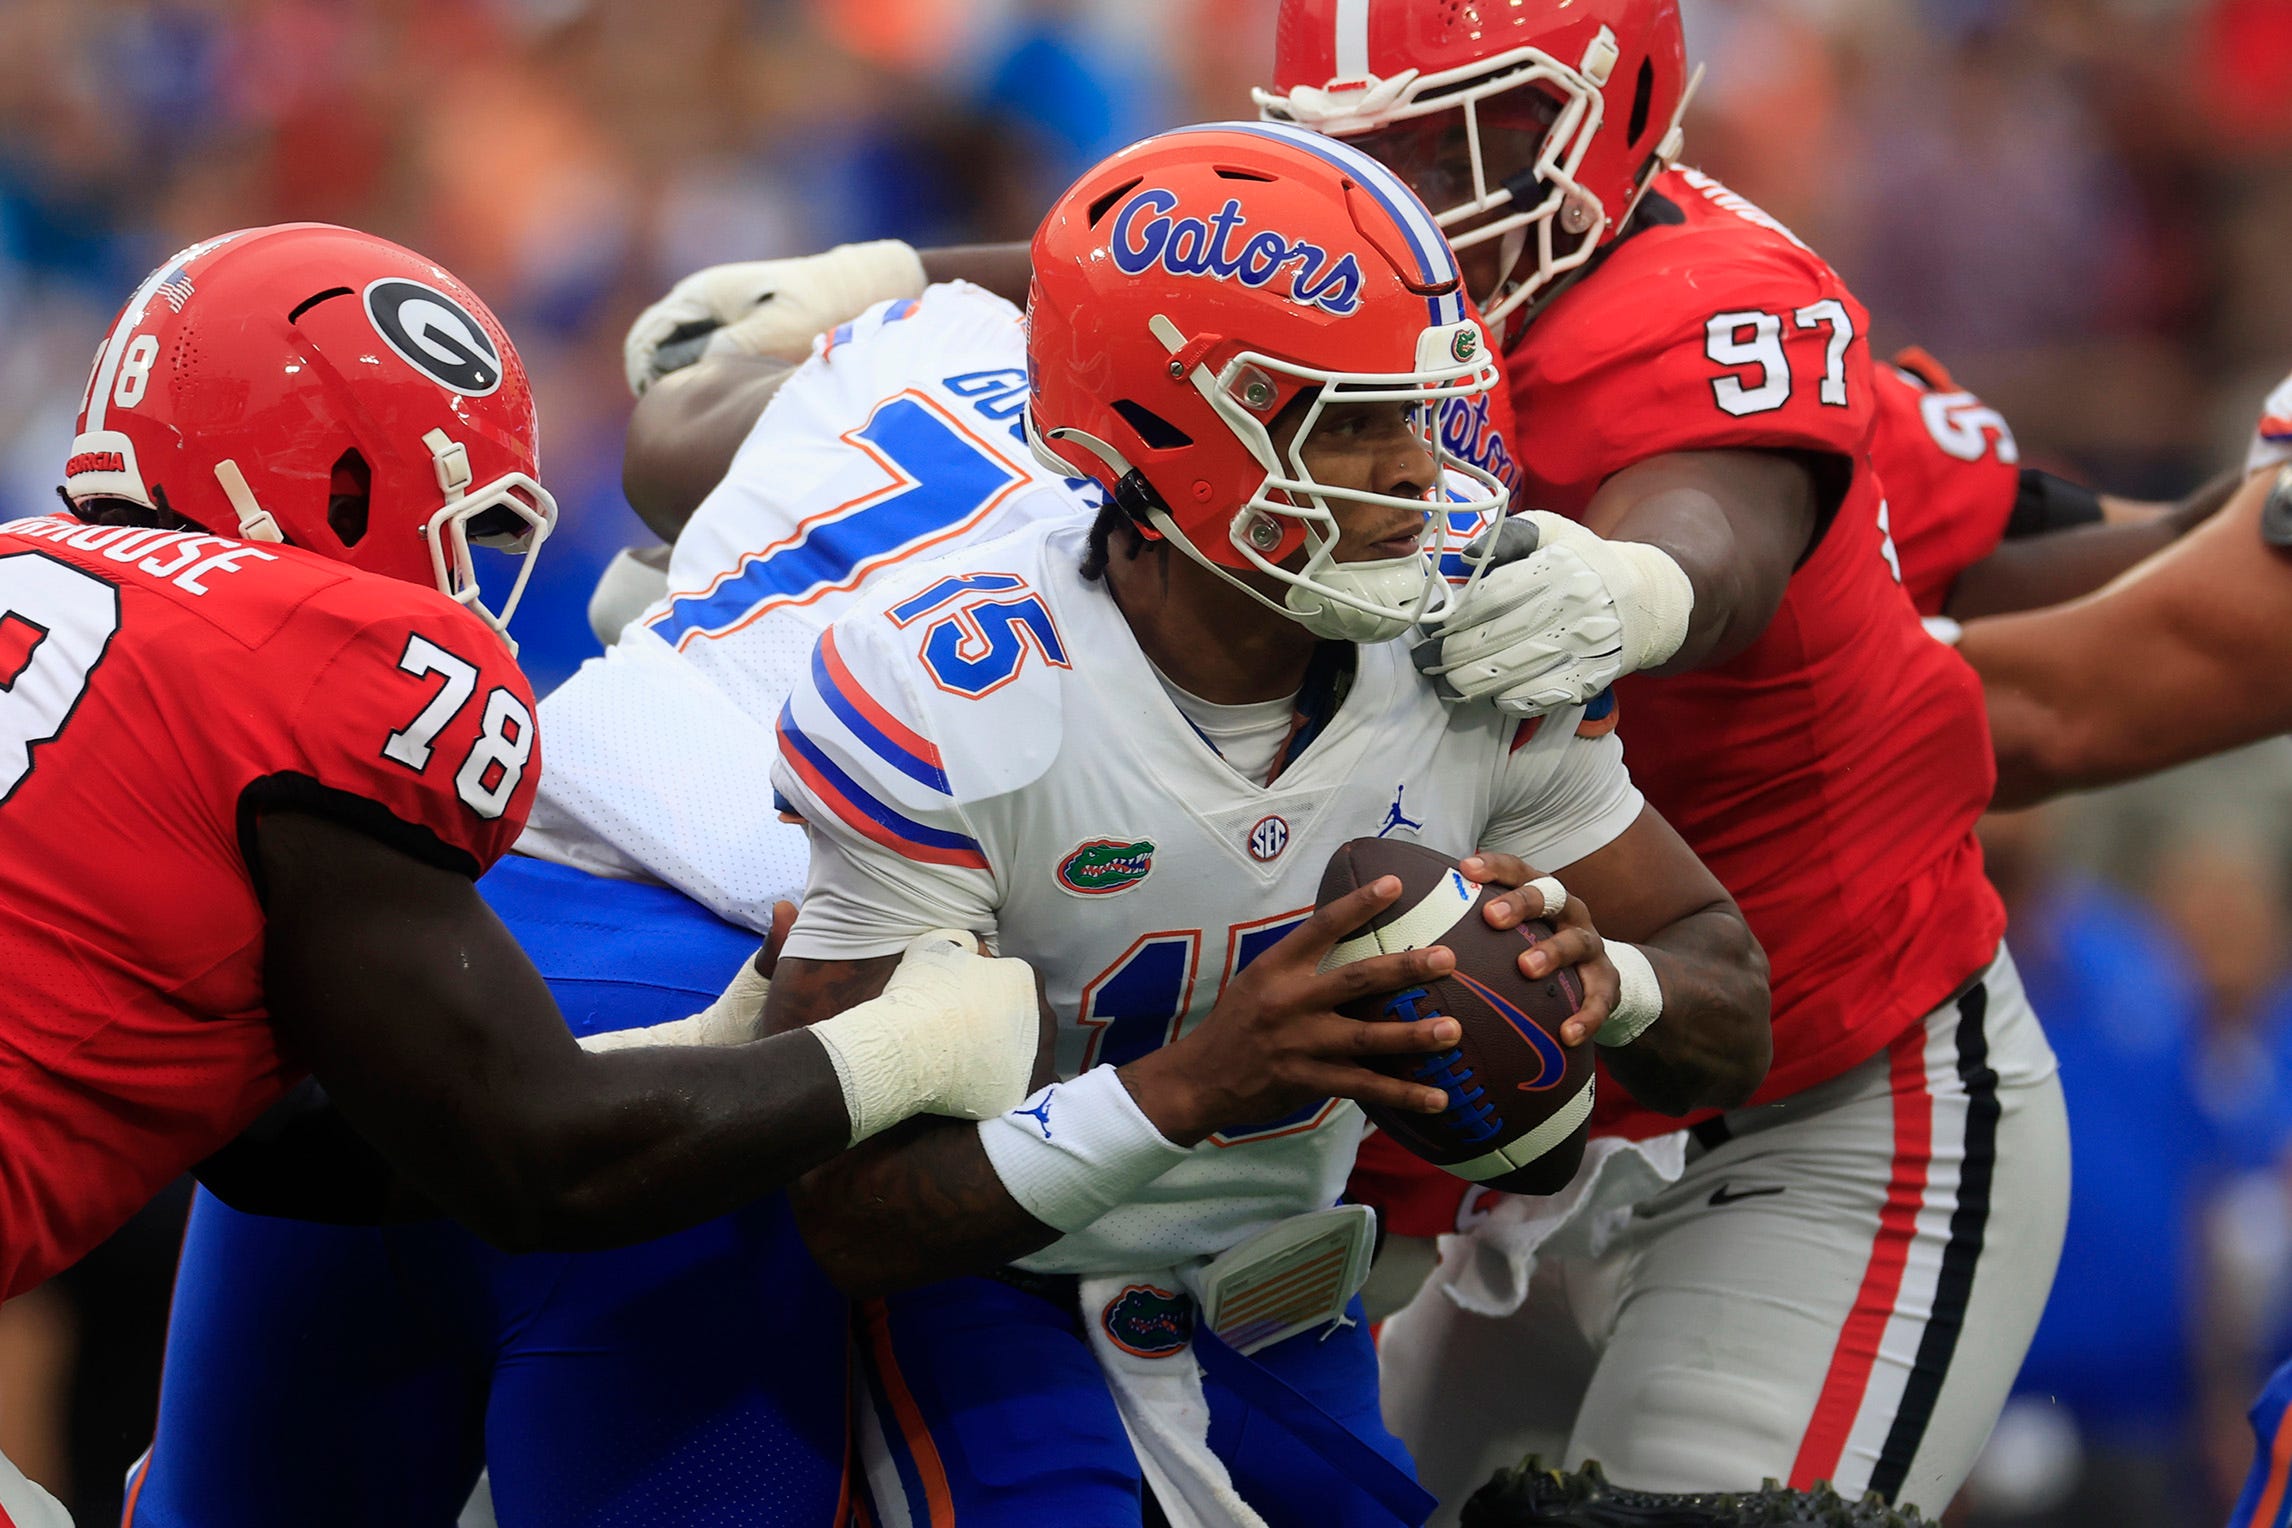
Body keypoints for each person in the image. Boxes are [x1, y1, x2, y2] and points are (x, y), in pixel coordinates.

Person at [760, 121, 1769, 1527]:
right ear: (1164, 433)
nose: (1415, 473)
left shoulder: (1479, 644)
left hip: (1282, 1295)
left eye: (1418, 415)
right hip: (987, 1294)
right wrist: (1194, 1082)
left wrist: (1618, 981)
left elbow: (1733, 1004)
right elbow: (846, 1219)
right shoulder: (952, 689)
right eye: (1350, 420)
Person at [0, 224, 1048, 1527]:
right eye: (467, 525)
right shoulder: (298, 665)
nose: (465, 581)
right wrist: (904, 1050)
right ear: (332, 483)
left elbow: (268, 1149)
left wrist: (698, 1057)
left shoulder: (35, 580)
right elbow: (536, 1168)